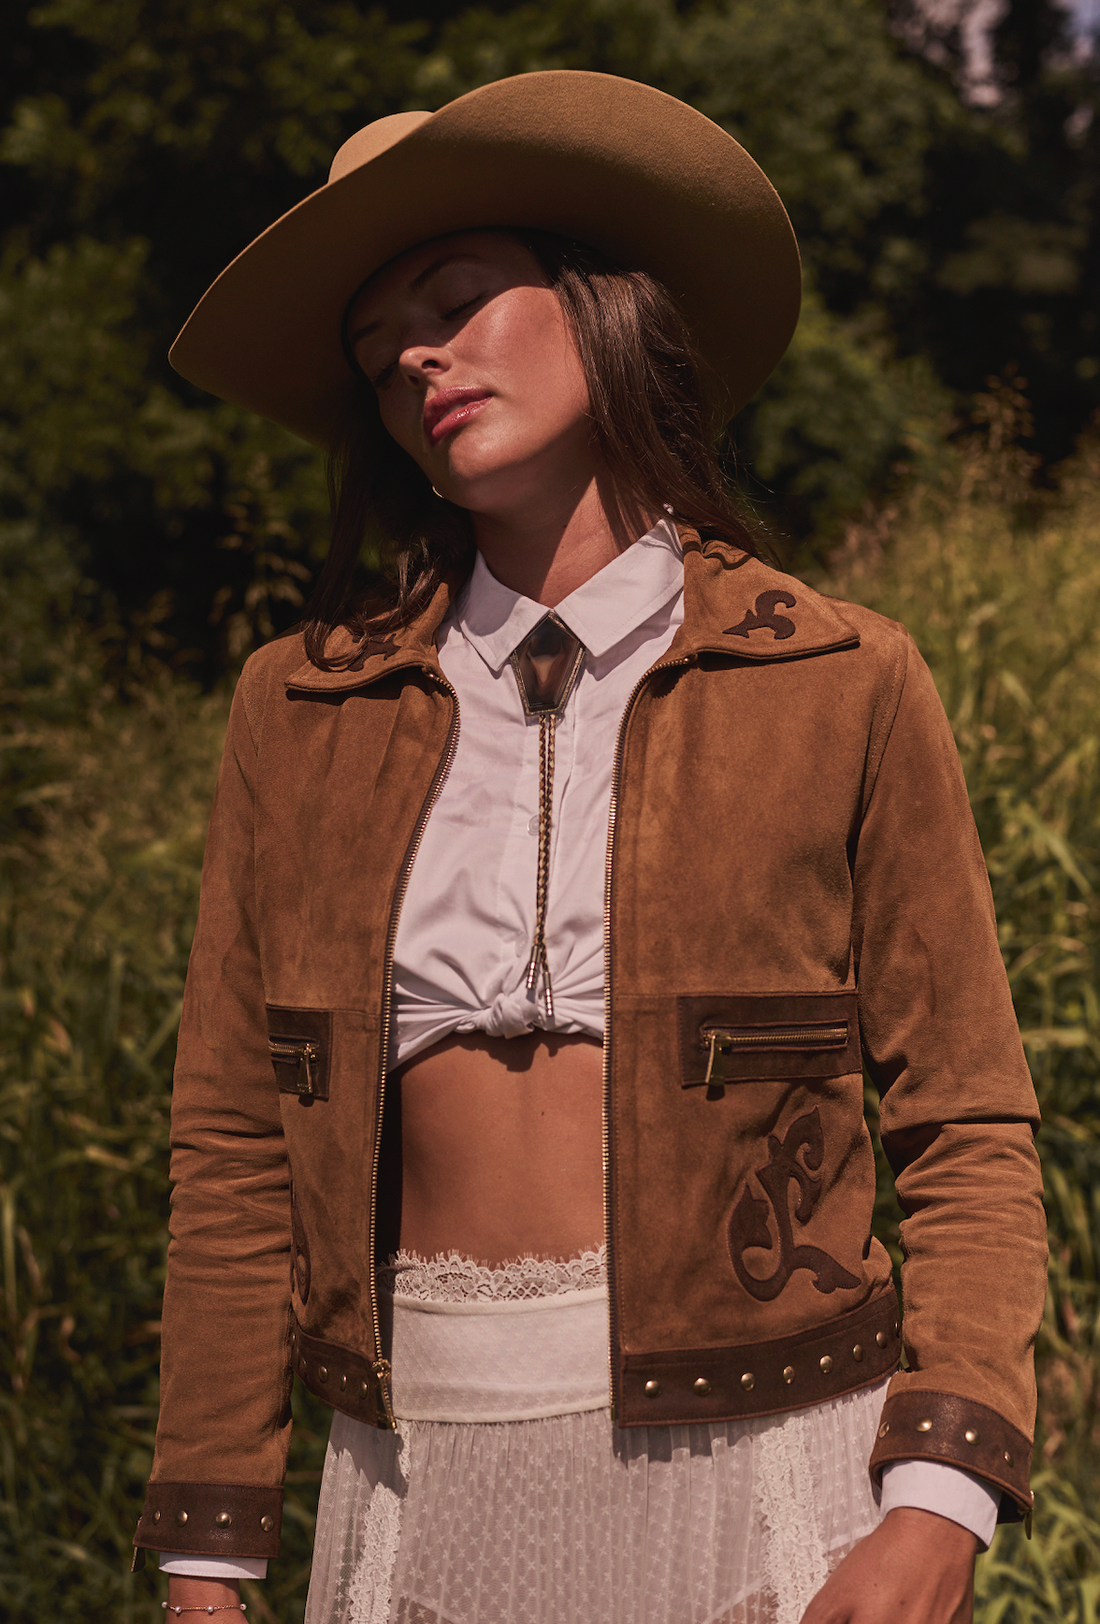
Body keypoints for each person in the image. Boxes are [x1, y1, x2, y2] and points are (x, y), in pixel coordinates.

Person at [132, 71, 1047, 1624]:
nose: (416, 356)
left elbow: (963, 1116)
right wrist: (208, 1558)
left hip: (773, 1466)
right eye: (377, 353)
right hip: (417, 1473)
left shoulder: (841, 677)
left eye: (457, 296)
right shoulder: (299, 707)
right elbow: (232, 1145)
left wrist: (942, 1495)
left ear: (602, 305)